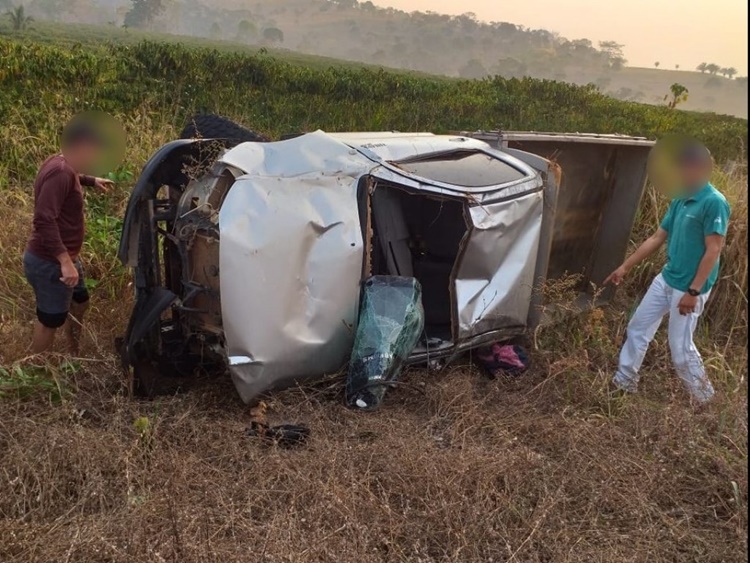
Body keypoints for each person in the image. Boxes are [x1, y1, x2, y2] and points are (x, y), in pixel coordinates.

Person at [604, 141, 730, 405]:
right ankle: (623, 383)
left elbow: (713, 250)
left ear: (706, 169)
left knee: (681, 350)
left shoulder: (714, 202)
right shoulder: (680, 198)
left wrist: (693, 291)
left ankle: (706, 402)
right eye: (684, 167)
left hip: (689, 287)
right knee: (637, 327)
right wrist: (625, 267)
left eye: (693, 167)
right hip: (667, 279)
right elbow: (657, 237)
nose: (687, 172)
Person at [23, 120, 113, 355]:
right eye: (94, 148)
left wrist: (90, 180)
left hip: (65, 257)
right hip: (50, 261)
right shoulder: (60, 173)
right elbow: (43, 220)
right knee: (49, 320)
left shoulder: (62, 162)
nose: (96, 154)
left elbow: (70, 176)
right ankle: (37, 372)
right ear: (81, 145)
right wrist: (64, 262)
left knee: (80, 301)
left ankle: (74, 353)